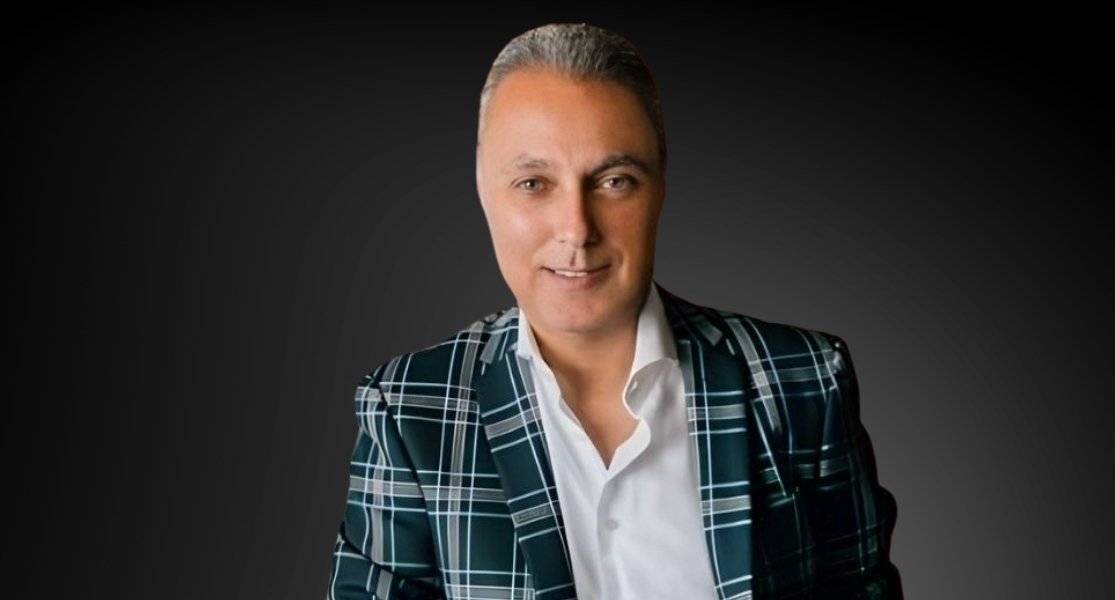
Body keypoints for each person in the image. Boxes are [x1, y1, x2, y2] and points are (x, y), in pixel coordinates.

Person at [327, 22, 902, 600]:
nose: (576, 229)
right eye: (533, 183)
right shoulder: (409, 411)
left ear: (660, 186)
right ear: (483, 189)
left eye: (614, 181)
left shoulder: (802, 383)